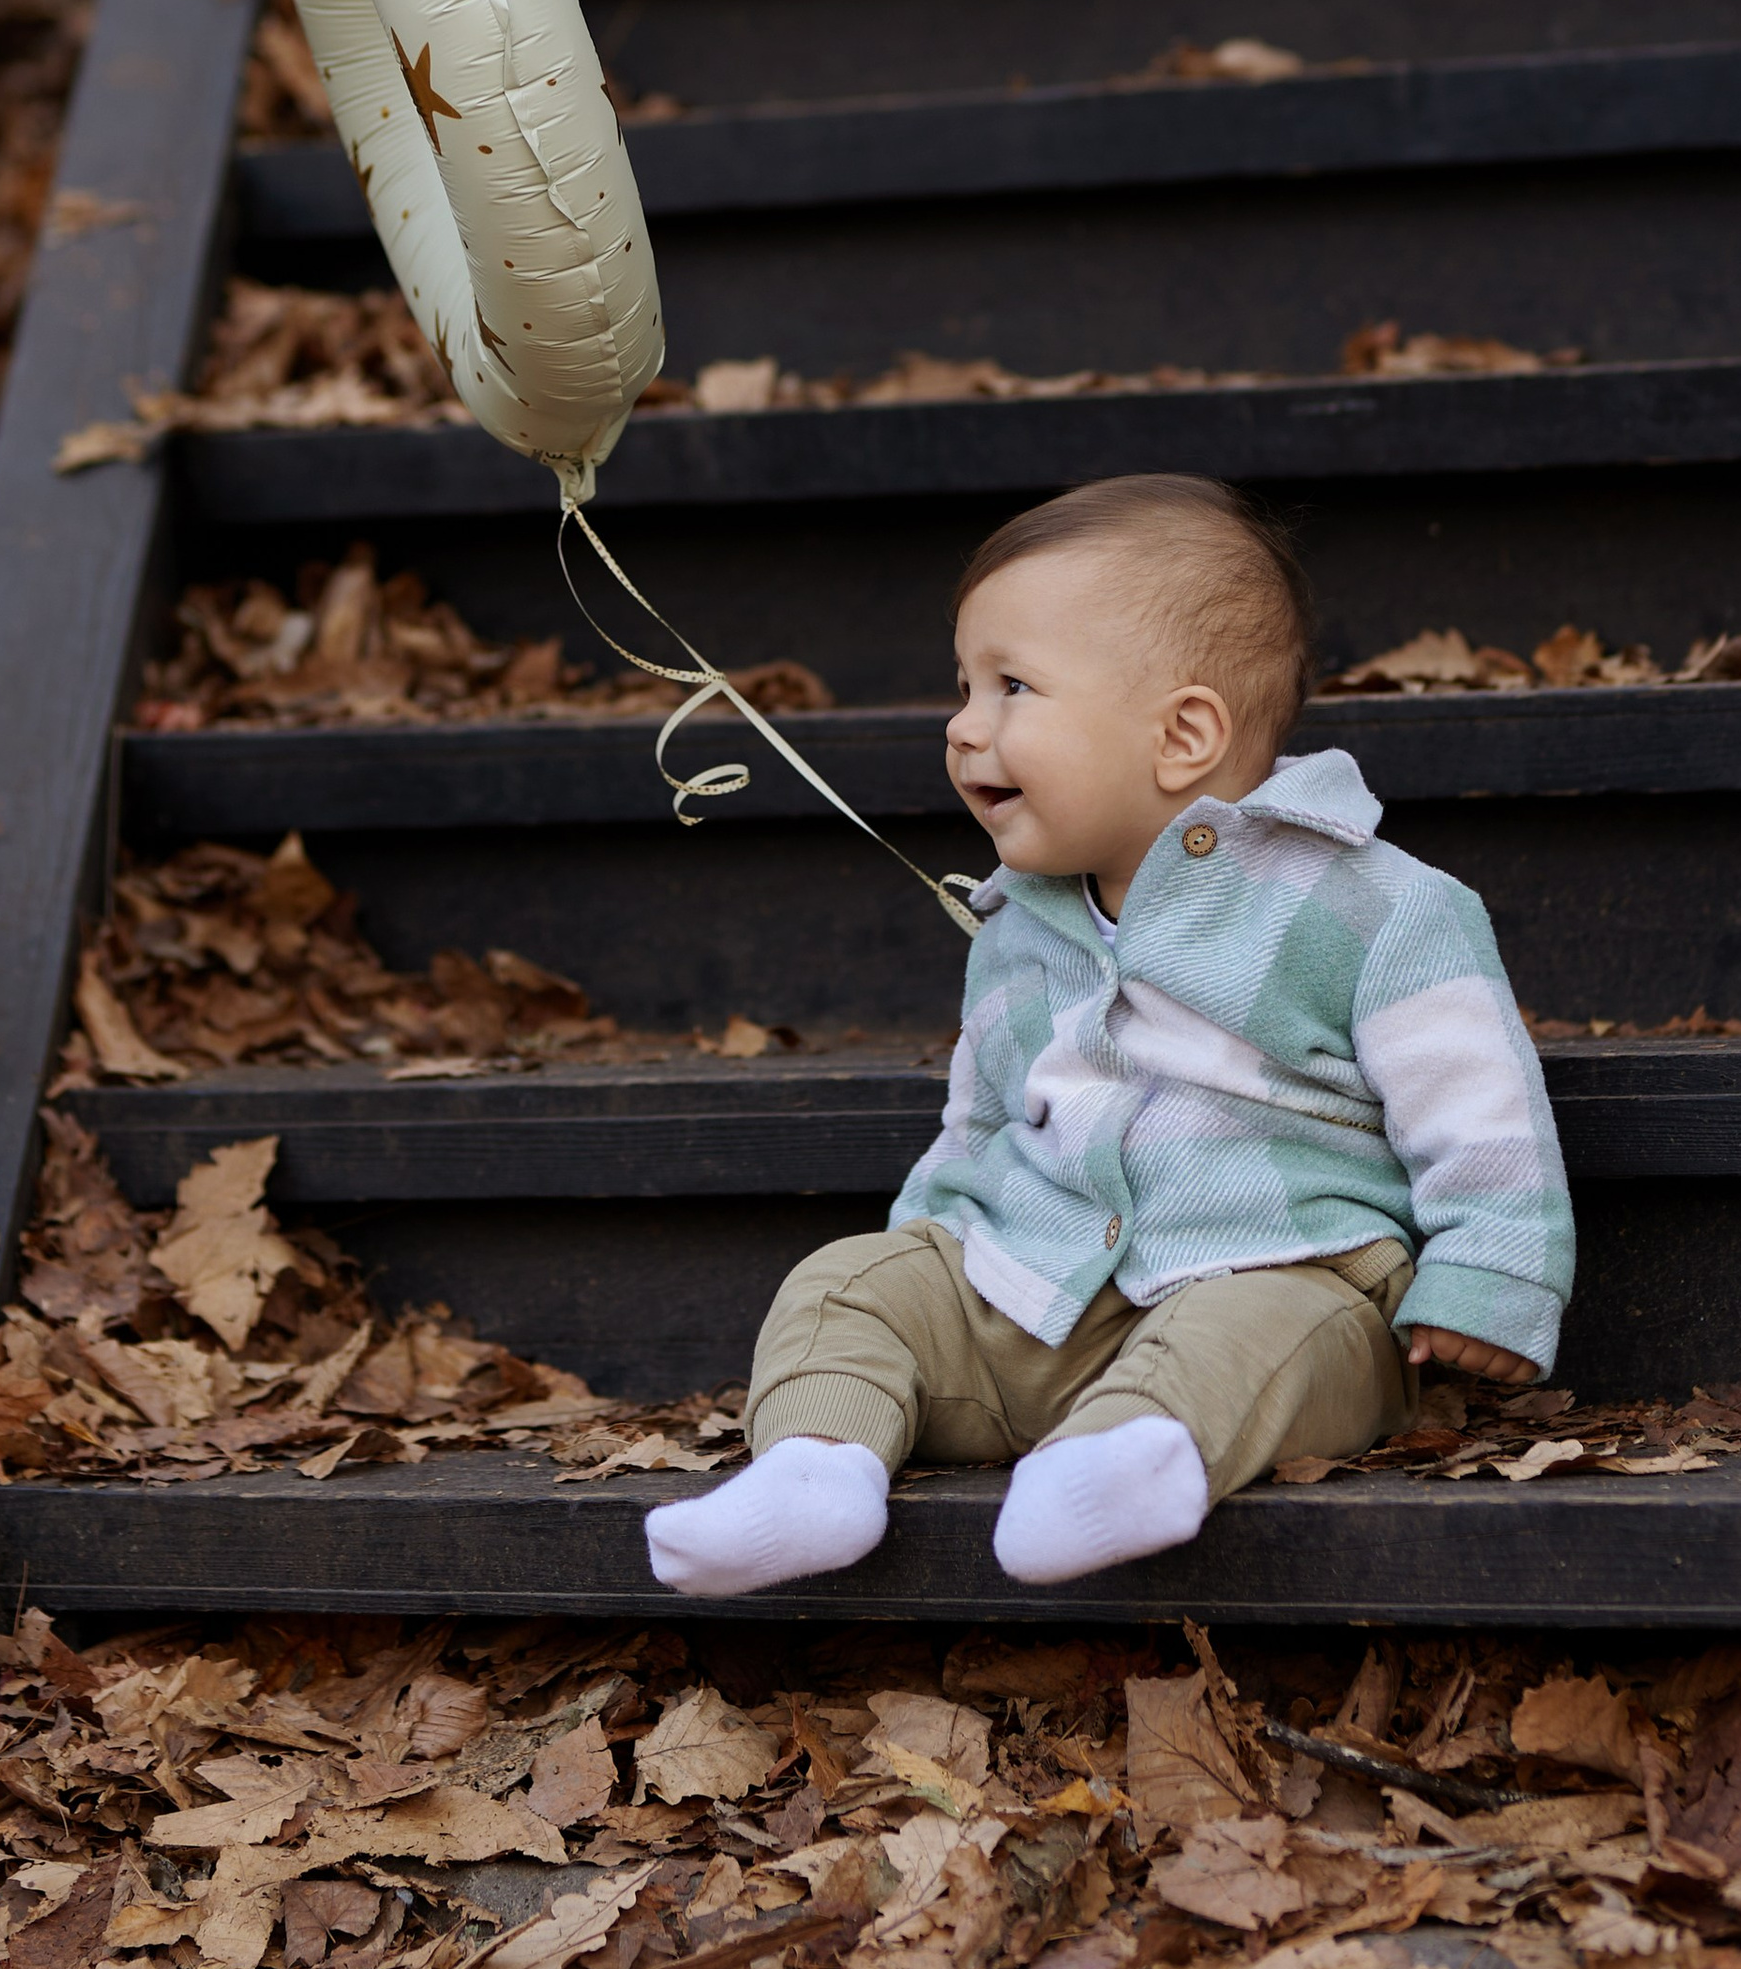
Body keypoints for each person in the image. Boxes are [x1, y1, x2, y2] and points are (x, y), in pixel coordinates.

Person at [644, 471, 1573, 1595]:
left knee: (1256, 1334)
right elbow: (979, 1119)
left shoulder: (1372, 906)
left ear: (1182, 734)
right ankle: (814, 1470)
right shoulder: (1018, 919)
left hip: (1287, 1279)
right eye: (964, 686)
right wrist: (931, 1258)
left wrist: (1488, 1278)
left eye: (1010, 687)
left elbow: (1478, 1109)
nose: (962, 725)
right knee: (845, 1281)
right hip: (1037, 1301)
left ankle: (1123, 1464)